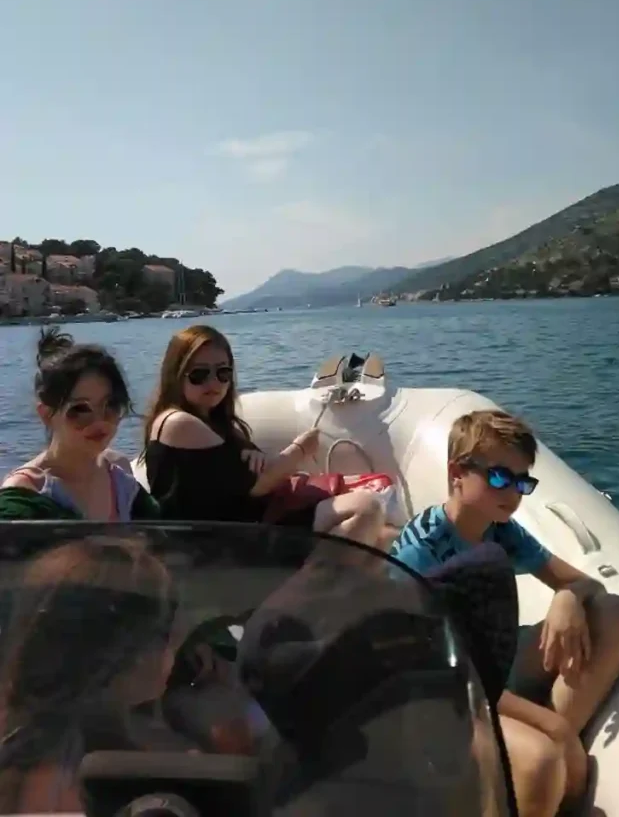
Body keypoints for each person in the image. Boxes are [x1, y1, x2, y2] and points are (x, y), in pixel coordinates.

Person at [391, 409, 619, 817]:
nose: (514, 493)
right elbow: (424, 670)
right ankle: (539, 751)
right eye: (500, 478)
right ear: (457, 471)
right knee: (545, 752)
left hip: (490, 662)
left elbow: (585, 583)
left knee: (617, 614)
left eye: (523, 481)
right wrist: (547, 725)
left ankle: (538, 751)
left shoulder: (500, 529)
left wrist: (567, 598)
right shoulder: (420, 552)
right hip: (446, 689)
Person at [142, 325, 384, 546]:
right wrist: (300, 448)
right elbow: (257, 485)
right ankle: (300, 593)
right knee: (365, 507)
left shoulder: (214, 423)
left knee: (385, 536)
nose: (213, 382)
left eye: (223, 372)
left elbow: (234, 474)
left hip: (243, 526)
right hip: (217, 545)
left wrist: (250, 455)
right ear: (176, 374)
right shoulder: (177, 423)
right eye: (199, 374)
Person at [0, 536, 177, 813]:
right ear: (134, 652)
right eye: (163, 629)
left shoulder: (26, 747)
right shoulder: (89, 782)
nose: (171, 645)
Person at [0, 328, 158, 521]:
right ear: (46, 414)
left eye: (111, 405)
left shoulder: (121, 478)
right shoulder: (26, 497)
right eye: (80, 410)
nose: (99, 421)